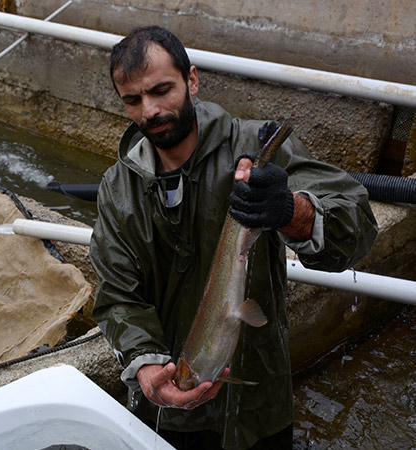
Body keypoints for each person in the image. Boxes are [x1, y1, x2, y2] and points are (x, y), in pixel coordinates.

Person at [89, 26, 378, 450]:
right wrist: (146, 366)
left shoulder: (255, 147)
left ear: (192, 80)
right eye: (132, 100)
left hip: (256, 404)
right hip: (166, 411)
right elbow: (117, 296)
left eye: (161, 90)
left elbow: (357, 222)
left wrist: (291, 211)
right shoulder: (117, 187)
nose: (149, 110)